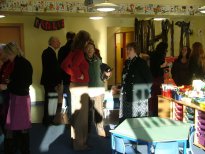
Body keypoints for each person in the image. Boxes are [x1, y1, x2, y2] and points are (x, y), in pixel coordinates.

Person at [0, 42, 33, 154]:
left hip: (21, 98)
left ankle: (24, 150)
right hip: (16, 97)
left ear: (11, 52)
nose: (6, 56)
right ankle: (18, 148)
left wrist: (7, 85)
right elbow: (19, 80)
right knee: (14, 126)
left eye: (6, 54)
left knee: (21, 127)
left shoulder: (22, 63)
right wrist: (10, 82)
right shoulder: (16, 62)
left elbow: (25, 83)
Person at [61, 30, 91, 151]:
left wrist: (73, 76)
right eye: (88, 40)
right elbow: (72, 66)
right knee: (81, 117)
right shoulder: (79, 53)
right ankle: (80, 144)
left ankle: (76, 142)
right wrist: (79, 75)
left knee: (76, 114)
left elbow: (64, 65)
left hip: (74, 85)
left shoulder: (74, 51)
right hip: (80, 85)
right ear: (84, 41)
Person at [119, 42, 152, 124]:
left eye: (130, 49)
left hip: (139, 96)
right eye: (127, 49)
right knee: (128, 119)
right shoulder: (127, 62)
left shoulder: (141, 62)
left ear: (135, 51)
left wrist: (145, 92)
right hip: (128, 94)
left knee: (138, 121)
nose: (127, 51)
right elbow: (125, 77)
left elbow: (149, 79)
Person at [84, 41, 107, 137]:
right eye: (88, 48)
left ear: (94, 50)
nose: (90, 50)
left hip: (98, 89)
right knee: (87, 112)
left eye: (91, 48)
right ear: (85, 50)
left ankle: (100, 130)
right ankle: (87, 131)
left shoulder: (99, 60)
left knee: (99, 111)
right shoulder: (82, 60)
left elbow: (103, 75)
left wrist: (106, 76)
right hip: (87, 90)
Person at [40, 36, 62, 126]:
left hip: (49, 81)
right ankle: (48, 120)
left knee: (50, 101)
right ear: (52, 42)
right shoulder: (49, 53)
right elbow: (53, 70)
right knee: (51, 101)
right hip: (51, 81)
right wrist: (57, 82)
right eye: (58, 41)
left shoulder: (48, 52)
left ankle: (48, 120)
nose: (59, 43)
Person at [58, 32, 75, 118]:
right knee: (74, 99)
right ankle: (74, 118)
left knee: (68, 98)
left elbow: (60, 65)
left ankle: (69, 117)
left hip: (65, 77)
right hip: (75, 78)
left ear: (67, 37)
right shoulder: (75, 49)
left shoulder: (62, 49)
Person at [149, 41, 168, 117]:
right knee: (159, 95)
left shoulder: (153, 54)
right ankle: (158, 112)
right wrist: (164, 65)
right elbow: (158, 67)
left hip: (152, 77)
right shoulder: (160, 56)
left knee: (153, 96)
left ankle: (152, 111)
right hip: (158, 78)